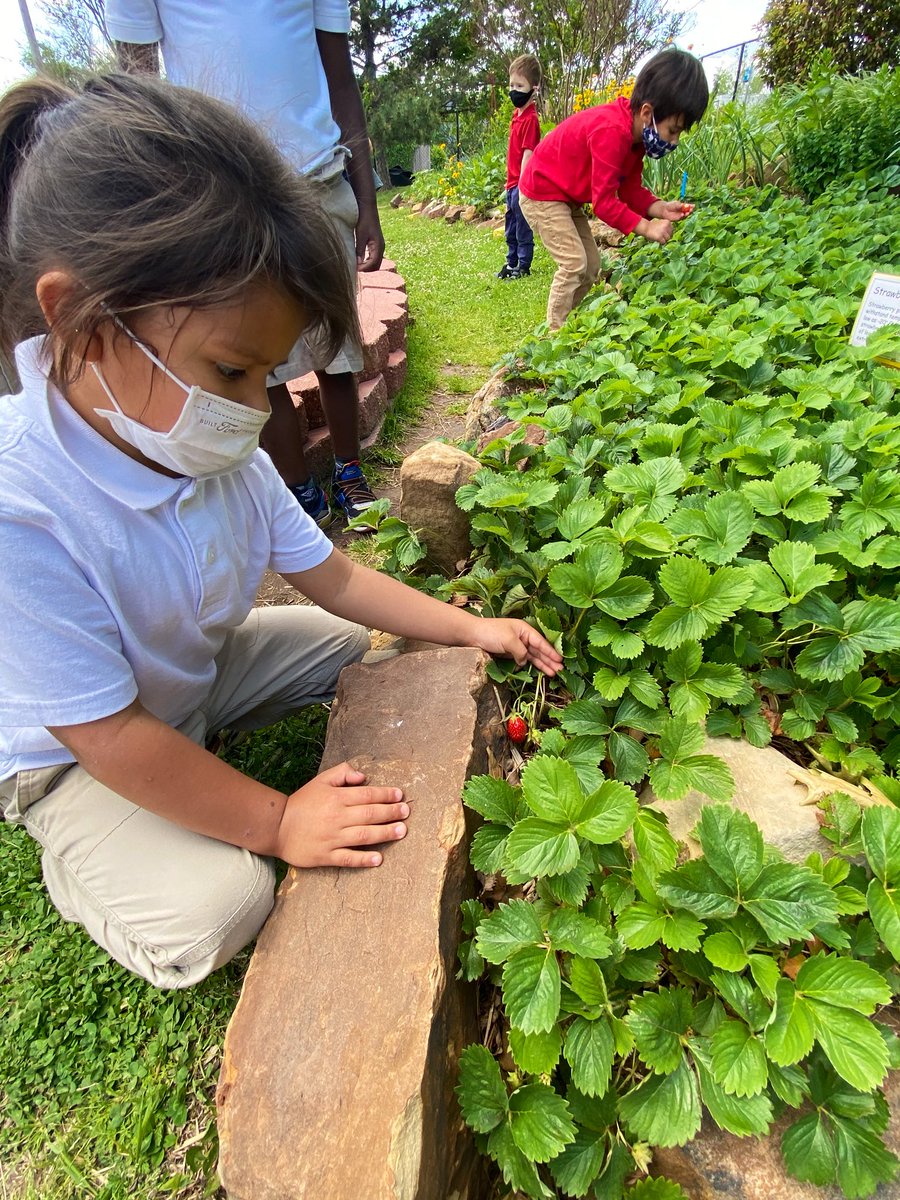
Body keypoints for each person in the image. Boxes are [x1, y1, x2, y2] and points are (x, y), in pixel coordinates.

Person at [0, 72, 563, 989]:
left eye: (266, 372)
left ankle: (206, 734)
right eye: (230, 369)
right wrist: (276, 821)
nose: (256, 407)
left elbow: (335, 578)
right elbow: (109, 736)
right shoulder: (19, 505)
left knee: (365, 647)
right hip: (78, 758)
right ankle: (80, 862)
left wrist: (472, 627)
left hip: (195, 670)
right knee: (224, 905)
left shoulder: (209, 444)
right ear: (83, 322)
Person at [107, 0, 384, 531]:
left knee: (336, 345)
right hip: (220, 189)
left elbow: (341, 78)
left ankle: (349, 472)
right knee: (256, 356)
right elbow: (139, 88)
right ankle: (298, 490)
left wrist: (366, 201)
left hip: (318, 175)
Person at [519, 49, 709, 329]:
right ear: (647, 112)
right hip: (541, 192)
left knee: (591, 266)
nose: (675, 140)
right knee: (573, 263)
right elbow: (605, 203)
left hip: (565, 197)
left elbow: (629, 189)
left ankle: (565, 325)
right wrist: (647, 227)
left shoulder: (636, 140)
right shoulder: (612, 132)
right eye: (673, 130)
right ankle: (553, 338)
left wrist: (659, 208)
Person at [496, 54, 542, 282]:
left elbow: (528, 154)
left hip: (521, 185)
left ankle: (523, 265)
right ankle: (511, 261)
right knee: (510, 225)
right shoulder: (516, 115)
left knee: (522, 227)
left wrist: (523, 186)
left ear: (534, 88)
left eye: (520, 86)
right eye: (512, 85)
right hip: (511, 183)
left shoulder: (531, 119)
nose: (514, 90)